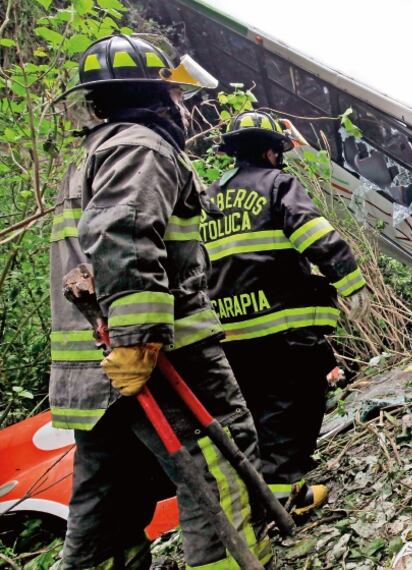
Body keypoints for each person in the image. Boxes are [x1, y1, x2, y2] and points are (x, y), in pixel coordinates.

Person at [48, 34, 272, 569]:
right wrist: (137, 341)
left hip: (91, 365)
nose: (183, 108)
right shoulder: (141, 148)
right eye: (176, 97)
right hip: (159, 358)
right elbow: (123, 238)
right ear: (156, 97)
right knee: (217, 468)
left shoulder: (92, 156)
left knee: (107, 501)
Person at [201, 110, 370, 515]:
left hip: (228, 333)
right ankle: (286, 496)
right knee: (294, 406)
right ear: (273, 151)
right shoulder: (277, 184)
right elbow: (316, 237)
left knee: (255, 413)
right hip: (282, 326)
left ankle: (260, 496)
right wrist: (351, 284)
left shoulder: (208, 195)